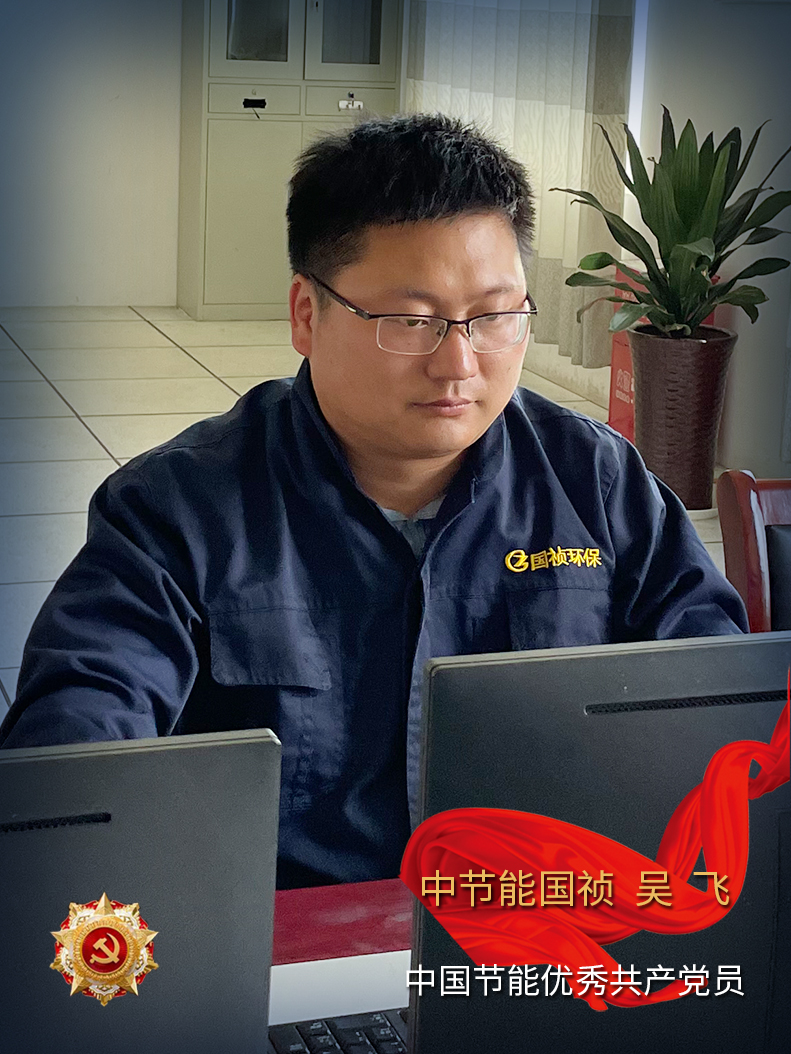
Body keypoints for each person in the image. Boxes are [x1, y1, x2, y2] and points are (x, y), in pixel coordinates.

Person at [0, 114, 747, 888]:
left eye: (494, 316)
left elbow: (719, 699)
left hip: (543, 917)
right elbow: (81, 735)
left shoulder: (596, 482)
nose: (458, 364)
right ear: (305, 314)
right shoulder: (175, 510)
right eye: (410, 321)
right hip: (287, 934)